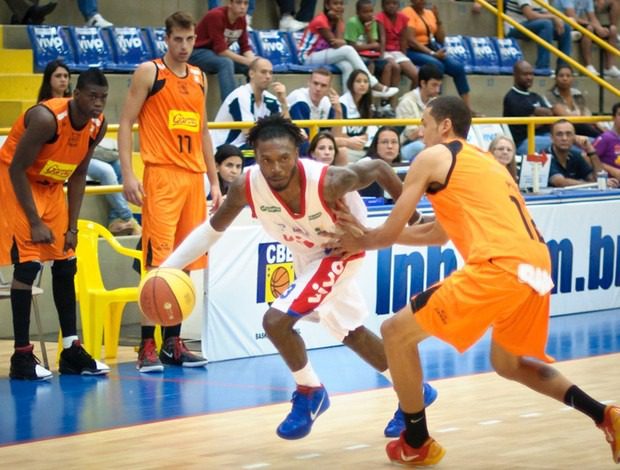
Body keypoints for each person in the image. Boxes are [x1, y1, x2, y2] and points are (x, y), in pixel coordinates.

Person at [326, 95, 620, 466]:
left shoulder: (432, 157)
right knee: (508, 364)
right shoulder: (482, 161)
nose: (420, 130)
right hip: (538, 266)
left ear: (444, 125)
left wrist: (363, 238)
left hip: (502, 264)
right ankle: (605, 415)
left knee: (395, 332)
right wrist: (372, 233)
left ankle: (416, 441)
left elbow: (388, 234)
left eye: (425, 122)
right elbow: (435, 234)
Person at [159, 114, 437, 441]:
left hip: (342, 249)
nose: (275, 168)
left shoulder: (328, 180)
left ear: (297, 154)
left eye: (284, 159)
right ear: (255, 157)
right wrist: (168, 267)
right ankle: (415, 391)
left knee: (276, 321)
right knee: (351, 332)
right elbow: (211, 230)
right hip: (306, 255)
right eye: (266, 160)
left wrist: (415, 217)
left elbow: (378, 168)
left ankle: (310, 391)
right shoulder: (246, 185)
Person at [118, 11, 219, 373]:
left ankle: (173, 342)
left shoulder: (199, 76)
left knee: (186, 262)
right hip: (160, 176)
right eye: (178, 39)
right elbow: (126, 122)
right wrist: (130, 174)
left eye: (190, 40)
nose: (184, 46)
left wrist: (215, 181)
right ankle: (147, 344)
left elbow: (204, 132)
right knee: (157, 263)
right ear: (166, 39)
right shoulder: (150, 72)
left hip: (193, 179)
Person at [0, 68, 111, 380]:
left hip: (52, 187)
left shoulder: (97, 125)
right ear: (75, 95)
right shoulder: (47, 119)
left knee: (66, 261)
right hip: (17, 181)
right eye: (92, 96)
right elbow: (16, 168)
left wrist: (72, 226)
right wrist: (34, 221)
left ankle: (72, 349)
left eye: (103, 97)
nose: (98, 103)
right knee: (28, 266)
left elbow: (78, 174)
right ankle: (21, 356)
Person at [37, 60, 140, 237]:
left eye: (65, 76)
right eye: (58, 76)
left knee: (118, 165)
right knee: (106, 171)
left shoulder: (94, 117)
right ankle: (128, 216)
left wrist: (72, 227)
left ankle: (116, 219)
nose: (63, 80)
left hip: (76, 157)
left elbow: (81, 159)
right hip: (50, 167)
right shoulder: (44, 113)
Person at [297, 0, 399, 98]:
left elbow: (339, 40)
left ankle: (347, 103)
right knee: (348, 50)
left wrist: (338, 20)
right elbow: (336, 44)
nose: (339, 6)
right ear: (327, 6)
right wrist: (343, 42)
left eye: (341, 3)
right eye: (335, 3)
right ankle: (373, 83)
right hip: (307, 57)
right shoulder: (320, 20)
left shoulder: (335, 20)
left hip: (324, 55)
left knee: (347, 66)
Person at [401, 0, 474, 112]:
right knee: (436, 65)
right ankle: (436, 106)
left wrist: (438, 19)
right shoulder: (407, 12)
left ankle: (468, 108)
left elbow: (440, 39)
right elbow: (411, 40)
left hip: (430, 48)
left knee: (457, 67)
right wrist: (432, 54)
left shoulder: (429, 13)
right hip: (412, 50)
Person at [212, 57, 289, 161]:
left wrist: (283, 102)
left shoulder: (271, 99)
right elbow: (248, 132)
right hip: (225, 148)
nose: (268, 76)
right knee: (263, 152)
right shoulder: (240, 96)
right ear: (251, 74)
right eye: (263, 72)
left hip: (248, 146)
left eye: (270, 73)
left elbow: (286, 129)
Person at [189, 0, 255, 103]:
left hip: (215, 55)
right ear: (230, 4)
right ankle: (231, 105)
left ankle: (255, 102)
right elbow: (221, 50)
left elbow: (245, 47)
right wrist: (247, 61)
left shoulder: (241, 19)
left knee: (253, 67)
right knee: (225, 62)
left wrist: (254, 62)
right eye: (239, 3)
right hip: (197, 53)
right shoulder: (216, 16)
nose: (242, 7)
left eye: (246, 3)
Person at [344, 0, 400, 109]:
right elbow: (352, 47)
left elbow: (375, 44)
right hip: (357, 57)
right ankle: (369, 102)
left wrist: (368, 31)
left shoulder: (372, 22)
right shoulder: (352, 22)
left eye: (371, 11)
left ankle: (384, 103)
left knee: (387, 65)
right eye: (365, 12)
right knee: (371, 65)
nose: (369, 14)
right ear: (358, 12)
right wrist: (372, 46)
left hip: (370, 55)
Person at [286, 67, 346, 163]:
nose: (318, 88)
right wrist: (347, 142)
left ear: (329, 88)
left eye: (323, 85)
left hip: (314, 145)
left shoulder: (327, 103)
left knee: (342, 151)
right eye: (315, 83)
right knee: (306, 146)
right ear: (308, 82)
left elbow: (334, 137)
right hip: (292, 144)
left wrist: (338, 112)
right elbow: (305, 138)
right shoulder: (299, 98)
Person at [553, 0, 620, 77]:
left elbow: (592, 17)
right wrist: (595, 26)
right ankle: (588, 65)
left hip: (578, 24)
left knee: (612, 30)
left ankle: (609, 67)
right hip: (564, 25)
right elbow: (572, 16)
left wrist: (600, 28)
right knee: (589, 29)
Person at [505, 0, 572, 74]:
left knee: (565, 27)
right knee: (546, 24)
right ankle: (542, 66)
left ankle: (563, 69)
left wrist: (558, 20)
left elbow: (546, 13)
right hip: (515, 26)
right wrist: (553, 17)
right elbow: (529, 15)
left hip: (534, 26)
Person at [547, 118, 619, 187]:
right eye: (559, 134)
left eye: (568, 134)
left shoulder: (575, 155)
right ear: (551, 138)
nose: (564, 138)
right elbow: (560, 182)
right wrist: (596, 184)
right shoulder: (545, 156)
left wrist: (591, 150)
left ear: (574, 137)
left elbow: (595, 178)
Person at [503, 60, 554, 154]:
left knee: (565, 141)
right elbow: (536, 122)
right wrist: (542, 118)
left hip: (544, 137)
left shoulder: (535, 96)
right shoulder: (512, 97)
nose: (529, 78)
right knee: (562, 142)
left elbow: (550, 114)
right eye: (525, 74)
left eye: (531, 74)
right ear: (515, 75)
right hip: (523, 142)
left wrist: (538, 116)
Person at [396, 63, 443, 162]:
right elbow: (413, 134)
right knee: (421, 146)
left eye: (439, 86)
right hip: (405, 147)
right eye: (434, 85)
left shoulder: (436, 102)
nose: (437, 90)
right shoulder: (406, 102)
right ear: (423, 83)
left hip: (427, 143)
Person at [547, 64, 605, 138]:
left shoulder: (577, 93)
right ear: (555, 78)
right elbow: (567, 117)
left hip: (583, 127)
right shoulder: (550, 95)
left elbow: (586, 114)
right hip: (565, 129)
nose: (565, 78)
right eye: (561, 76)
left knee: (602, 130)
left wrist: (601, 128)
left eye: (568, 76)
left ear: (572, 78)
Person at [337, 69, 378, 163]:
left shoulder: (369, 105)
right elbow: (339, 134)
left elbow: (369, 133)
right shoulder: (342, 103)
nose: (362, 84)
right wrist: (351, 141)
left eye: (365, 81)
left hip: (363, 147)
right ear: (351, 83)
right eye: (358, 81)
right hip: (346, 147)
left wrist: (362, 140)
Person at [358, 126, 403, 198]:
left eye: (394, 142)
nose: (390, 146)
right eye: (384, 142)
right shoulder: (365, 163)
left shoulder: (404, 167)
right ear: (376, 146)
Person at [593, 101, 620, 179]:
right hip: (611, 185)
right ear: (614, 118)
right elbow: (587, 158)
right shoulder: (605, 138)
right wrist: (612, 170)